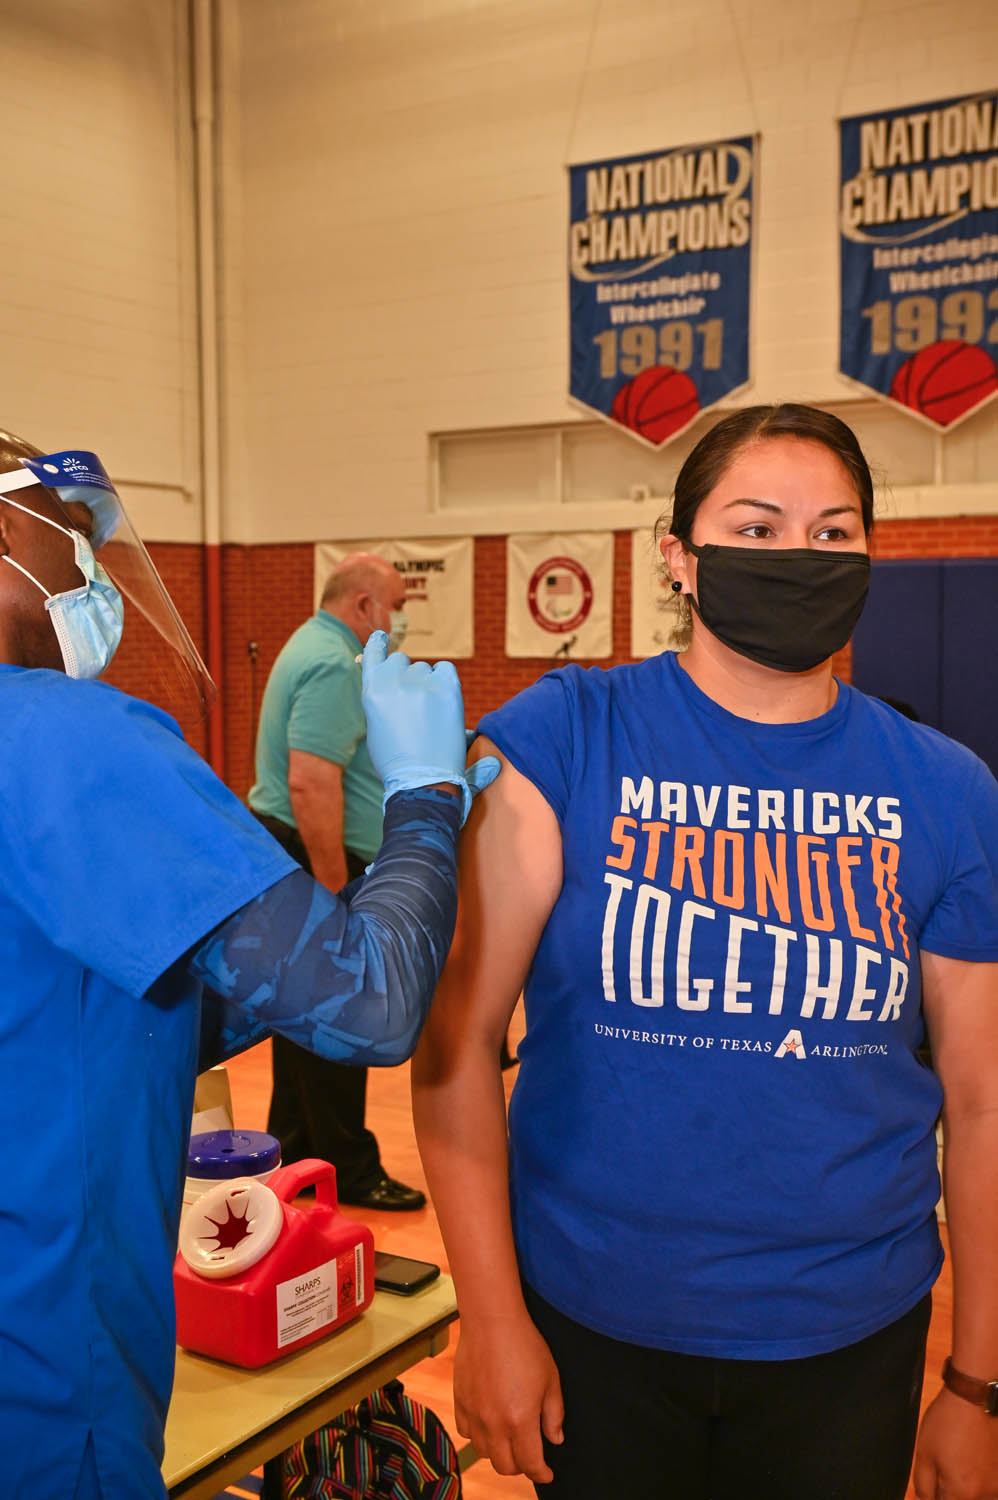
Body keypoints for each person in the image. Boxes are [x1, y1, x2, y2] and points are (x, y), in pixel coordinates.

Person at [412, 404, 998, 1500]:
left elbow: (981, 1104)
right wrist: (486, 1316)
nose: (798, 557)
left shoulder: (945, 790)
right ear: (677, 557)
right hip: (596, 1321)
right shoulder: (563, 738)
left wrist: (975, 1387)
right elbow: (454, 1048)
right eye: (758, 527)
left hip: (845, 1338)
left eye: (832, 533)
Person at [0, 429, 495, 1499]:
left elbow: (70, 1013)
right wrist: (423, 799)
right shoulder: (66, 737)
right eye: (71, 542)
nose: (88, 574)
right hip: (41, 1391)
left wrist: (266, 965)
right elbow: (369, 1004)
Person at [249, 554, 430, 1210]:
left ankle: (294, 1149)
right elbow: (311, 779)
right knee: (339, 1015)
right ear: (363, 606)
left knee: (303, 1016)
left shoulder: (311, 643)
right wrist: (332, 889)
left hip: (295, 851)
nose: (401, 618)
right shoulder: (335, 663)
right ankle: (349, 1168)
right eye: (397, 603)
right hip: (315, 856)